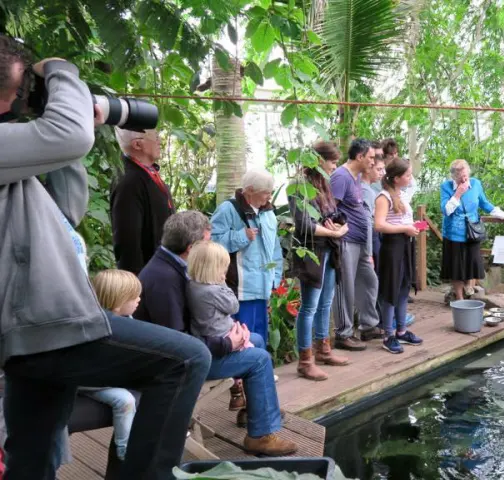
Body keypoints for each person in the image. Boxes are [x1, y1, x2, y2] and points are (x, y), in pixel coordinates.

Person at [0, 37, 211, 480]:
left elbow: (66, 209)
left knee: (33, 460)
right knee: (187, 359)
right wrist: (61, 70)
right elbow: (67, 136)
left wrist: (62, 120)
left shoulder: (11, 161)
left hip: (35, 334)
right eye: (21, 89)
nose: (21, 99)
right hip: (46, 327)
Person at [137, 212, 297, 455]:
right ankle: (261, 436)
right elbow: (177, 344)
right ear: (191, 248)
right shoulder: (164, 279)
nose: (212, 247)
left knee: (255, 339)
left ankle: (256, 413)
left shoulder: (174, 265)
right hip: (173, 368)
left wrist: (230, 336)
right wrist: (226, 344)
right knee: (259, 359)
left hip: (191, 350)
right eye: (208, 242)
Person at [288, 141, 351, 381]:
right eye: (333, 162)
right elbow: (304, 224)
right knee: (309, 306)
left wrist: (337, 224)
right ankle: (305, 361)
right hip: (311, 252)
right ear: (319, 161)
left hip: (328, 250)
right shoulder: (299, 186)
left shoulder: (324, 184)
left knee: (326, 303)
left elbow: (329, 215)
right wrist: (334, 232)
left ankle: (323, 349)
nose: (335, 167)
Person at [210, 171, 283, 345]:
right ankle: (244, 371)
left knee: (260, 335)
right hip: (240, 290)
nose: (269, 196)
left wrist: (276, 277)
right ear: (249, 190)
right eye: (266, 192)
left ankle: (261, 370)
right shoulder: (228, 209)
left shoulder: (268, 213)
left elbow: (275, 248)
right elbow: (211, 242)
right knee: (243, 336)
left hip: (262, 286)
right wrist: (241, 236)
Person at [82, 270, 143, 461]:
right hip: (91, 381)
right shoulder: (100, 327)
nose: (139, 299)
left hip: (111, 375)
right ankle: (125, 450)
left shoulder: (126, 320)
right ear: (118, 304)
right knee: (125, 401)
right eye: (134, 297)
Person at [330, 138, 382, 350]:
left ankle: (368, 325)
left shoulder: (357, 176)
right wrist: (338, 229)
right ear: (359, 157)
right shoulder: (340, 176)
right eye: (370, 157)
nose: (373, 161)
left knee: (369, 281)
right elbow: (331, 207)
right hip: (346, 241)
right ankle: (343, 333)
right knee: (345, 287)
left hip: (361, 241)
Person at [440, 159, 504, 300]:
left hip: (472, 231)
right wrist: (457, 194)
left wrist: (503, 215)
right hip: (453, 234)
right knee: (456, 268)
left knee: (471, 264)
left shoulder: (475, 184)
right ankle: (459, 299)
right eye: (460, 177)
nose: (463, 179)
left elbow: (484, 203)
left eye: (465, 175)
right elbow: (446, 211)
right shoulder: (446, 187)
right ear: (453, 177)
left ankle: (469, 287)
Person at [111, 128, 176, 275]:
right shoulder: (128, 182)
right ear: (137, 145)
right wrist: (136, 285)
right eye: (155, 136)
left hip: (163, 270)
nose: (160, 141)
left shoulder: (148, 173)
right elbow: (128, 242)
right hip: (147, 278)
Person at [374, 159, 423, 354]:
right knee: (390, 290)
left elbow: (402, 219)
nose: (410, 178)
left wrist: (414, 226)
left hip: (405, 245)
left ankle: (402, 330)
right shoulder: (383, 197)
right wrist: (405, 228)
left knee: (403, 288)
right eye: (407, 175)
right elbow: (379, 225)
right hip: (392, 247)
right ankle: (388, 335)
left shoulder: (401, 195)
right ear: (396, 178)